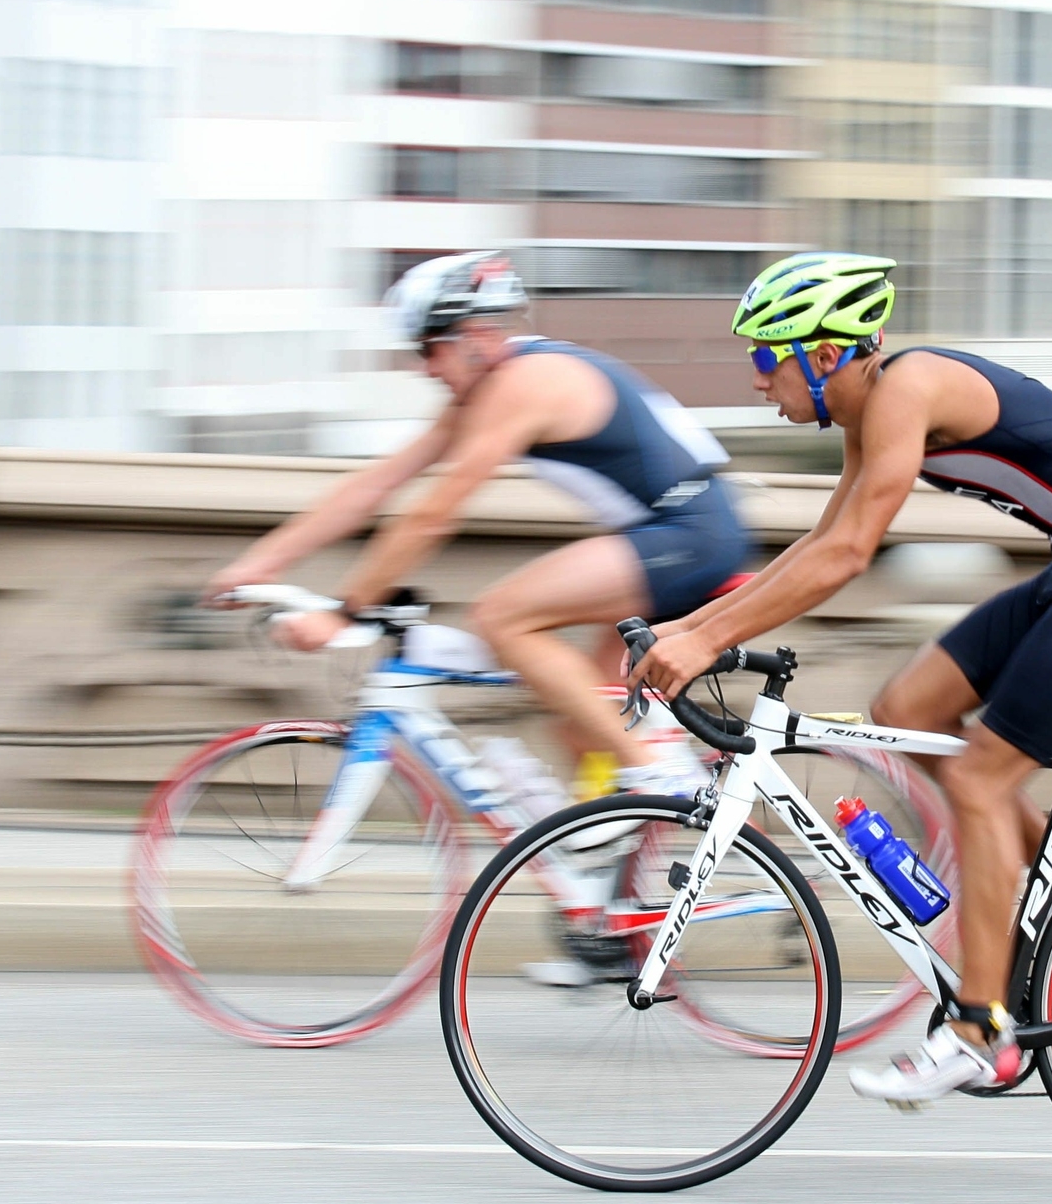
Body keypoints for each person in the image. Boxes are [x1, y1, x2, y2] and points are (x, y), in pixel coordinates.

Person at [630, 252, 1052, 1105]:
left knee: (977, 779)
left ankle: (980, 1031)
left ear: (822, 355)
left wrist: (707, 643)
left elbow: (852, 556)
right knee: (907, 708)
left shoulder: (905, 391)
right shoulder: (869, 411)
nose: (755, 381)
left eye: (764, 357)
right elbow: (820, 545)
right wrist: (693, 629)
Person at [206, 251, 748, 814]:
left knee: (501, 616)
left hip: (688, 530)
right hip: (677, 531)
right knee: (587, 725)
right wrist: (258, 565)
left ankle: (663, 778)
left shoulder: (523, 383)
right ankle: (611, 875)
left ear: (473, 335)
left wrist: (346, 613)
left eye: (427, 347)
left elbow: (432, 515)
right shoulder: (491, 387)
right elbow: (375, 486)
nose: (424, 368)